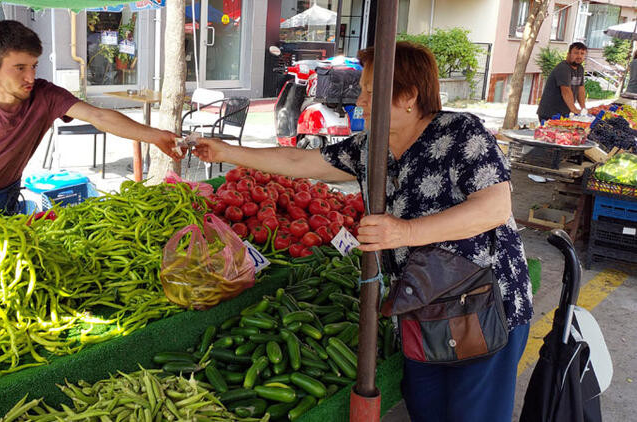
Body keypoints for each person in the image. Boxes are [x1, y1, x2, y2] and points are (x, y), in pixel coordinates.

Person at [193, 42, 533, 422]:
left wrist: (404, 233)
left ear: (408, 96)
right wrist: (226, 152)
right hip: (420, 308)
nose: (360, 100)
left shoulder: (460, 133)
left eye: (371, 90)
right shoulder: (374, 147)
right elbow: (298, 159)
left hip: (481, 308)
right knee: (426, 409)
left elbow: (494, 208)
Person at [0, 20, 181, 215]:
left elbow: (98, 115)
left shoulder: (45, 96)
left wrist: (157, 136)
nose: (30, 78)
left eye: (34, 66)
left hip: (6, 196)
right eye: (20, 68)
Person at [537, 42, 587, 122]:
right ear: (568, 54)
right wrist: (574, 110)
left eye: (582, 53)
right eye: (576, 53)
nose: (579, 56)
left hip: (564, 113)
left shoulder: (580, 68)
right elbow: (566, 90)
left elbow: (580, 89)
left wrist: (584, 109)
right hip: (550, 113)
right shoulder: (563, 68)